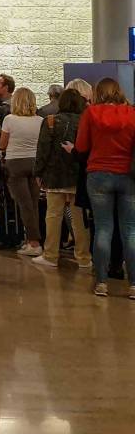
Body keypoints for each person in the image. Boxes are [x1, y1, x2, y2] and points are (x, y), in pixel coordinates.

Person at [73, 77, 135, 298]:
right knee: (130, 230)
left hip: (98, 174)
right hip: (128, 176)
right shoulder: (132, 113)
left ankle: (101, 283)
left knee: (103, 229)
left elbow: (81, 146)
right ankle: (133, 285)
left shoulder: (91, 113)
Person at [32, 88, 92, 271]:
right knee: (79, 219)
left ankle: (51, 255)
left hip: (54, 175)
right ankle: (84, 258)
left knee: (53, 216)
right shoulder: (85, 121)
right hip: (79, 176)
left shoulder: (50, 121)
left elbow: (43, 150)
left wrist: (38, 172)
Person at [0, 87, 44, 257]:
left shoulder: (9, 120)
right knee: (33, 203)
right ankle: (33, 240)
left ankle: (33, 242)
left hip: (15, 163)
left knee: (24, 204)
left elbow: (3, 144)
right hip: (34, 163)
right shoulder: (40, 120)